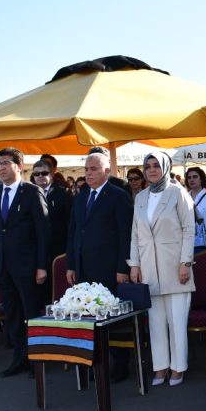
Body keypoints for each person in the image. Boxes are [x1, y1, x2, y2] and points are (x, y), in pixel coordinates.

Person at [128, 151, 196, 386]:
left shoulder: (178, 192)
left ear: (166, 167)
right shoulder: (141, 197)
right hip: (148, 267)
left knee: (177, 321)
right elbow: (135, 233)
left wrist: (185, 262)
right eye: (148, 166)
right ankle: (160, 366)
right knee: (156, 322)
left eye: (157, 165)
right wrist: (134, 264)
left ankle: (178, 367)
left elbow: (189, 229)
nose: (152, 170)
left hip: (176, 266)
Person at [66, 151, 133, 382]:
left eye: (93, 169)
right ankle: (97, 361)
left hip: (110, 268)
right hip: (85, 267)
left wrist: (123, 268)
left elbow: (126, 235)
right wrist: (71, 264)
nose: (88, 173)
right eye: (86, 169)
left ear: (106, 171)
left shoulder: (117, 195)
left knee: (113, 317)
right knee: (90, 316)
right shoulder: (81, 196)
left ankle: (121, 364)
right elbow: (74, 232)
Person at [0, 147, 50, 378]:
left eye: (5, 162)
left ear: (19, 166)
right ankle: (19, 358)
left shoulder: (32, 192)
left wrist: (42, 265)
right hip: (3, 266)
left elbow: (43, 232)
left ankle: (37, 360)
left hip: (28, 266)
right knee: (12, 313)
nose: (0, 167)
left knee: (31, 313)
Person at [31, 160, 71, 260]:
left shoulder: (63, 193)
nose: (40, 176)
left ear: (52, 174)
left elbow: (70, 222)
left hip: (58, 248)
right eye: (36, 174)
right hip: (34, 247)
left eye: (44, 173)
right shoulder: (28, 193)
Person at [186, 167, 206, 253]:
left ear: (201, 179)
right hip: (186, 243)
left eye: (195, 177)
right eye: (189, 177)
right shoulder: (183, 198)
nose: (191, 180)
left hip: (204, 244)